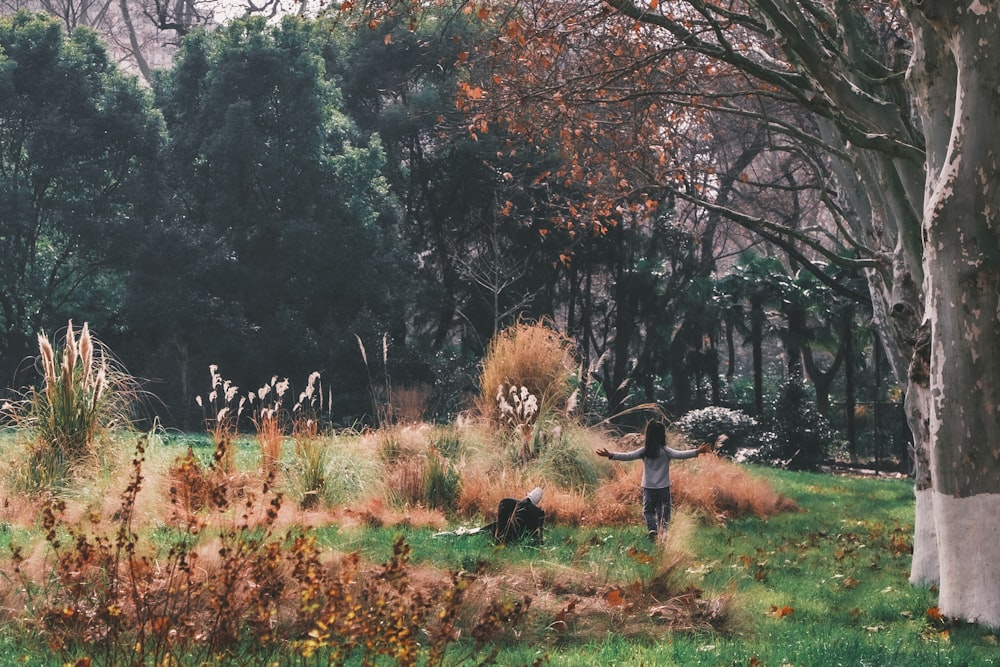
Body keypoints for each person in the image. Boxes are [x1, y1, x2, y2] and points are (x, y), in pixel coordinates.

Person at [596, 421, 711, 541]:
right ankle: (663, 534)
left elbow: (628, 456)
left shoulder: (644, 451)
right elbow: (680, 454)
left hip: (649, 488)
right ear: (663, 436)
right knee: (664, 513)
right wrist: (697, 451)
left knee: (648, 512)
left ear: (648, 435)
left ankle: (652, 529)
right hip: (663, 488)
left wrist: (611, 455)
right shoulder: (666, 451)